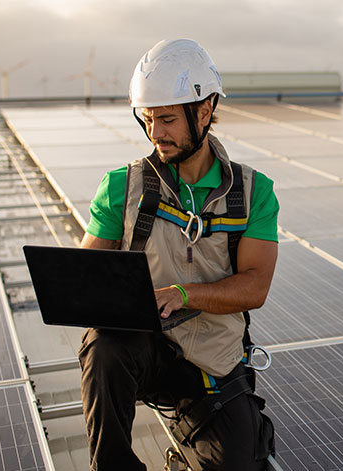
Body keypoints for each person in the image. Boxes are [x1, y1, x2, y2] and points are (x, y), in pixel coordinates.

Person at [78, 38, 279, 471]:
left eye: (167, 119)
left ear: (205, 110)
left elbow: (255, 285)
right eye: (148, 119)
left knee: (238, 463)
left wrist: (183, 294)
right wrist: (80, 286)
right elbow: (87, 277)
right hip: (143, 350)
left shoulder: (253, 193)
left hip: (212, 359)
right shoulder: (122, 187)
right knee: (103, 347)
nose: (156, 133)